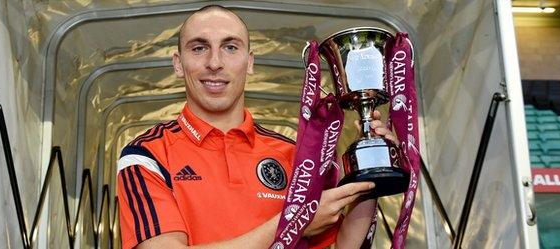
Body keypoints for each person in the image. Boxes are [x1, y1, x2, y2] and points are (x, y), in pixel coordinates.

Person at [117, 5, 395, 249]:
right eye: (199, 47)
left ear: (249, 62)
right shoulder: (146, 155)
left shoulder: (294, 156)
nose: (215, 63)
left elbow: (344, 244)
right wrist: (293, 223)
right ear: (178, 64)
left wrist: (366, 173)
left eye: (230, 47)